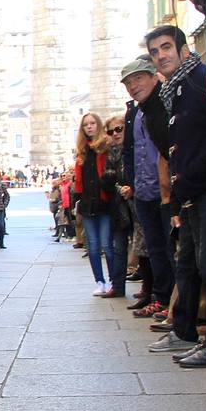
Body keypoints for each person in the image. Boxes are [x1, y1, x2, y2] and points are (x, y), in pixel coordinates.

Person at [146, 25, 206, 369]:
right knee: (203, 266)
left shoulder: (199, 79)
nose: (161, 56)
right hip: (196, 191)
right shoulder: (177, 89)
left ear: (184, 49)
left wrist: (194, 174)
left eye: (166, 47)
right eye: (155, 52)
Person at [117, 56, 173, 320]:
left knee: (168, 249)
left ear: (153, 76)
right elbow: (130, 151)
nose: (133, 85)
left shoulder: (164, 103)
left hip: (165, 192)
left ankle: (169, 301)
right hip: (144, 191)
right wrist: (133, 182)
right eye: (128, 82)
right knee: (154, 248)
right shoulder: (135, 113)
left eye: (137, 78)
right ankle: (160, 297)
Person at [73, 113, 117, 297]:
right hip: (88, 204)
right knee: (92, 245)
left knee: (107, 244)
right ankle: (100, 281)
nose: (89, 127)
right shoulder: (82, 151)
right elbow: (79, 182)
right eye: (85, 125)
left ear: (98, 125)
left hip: (104, 202)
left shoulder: (106, 146)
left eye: (92, 123)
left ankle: (115, 280)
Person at [101, 115, 130, 298]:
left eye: (119, 129)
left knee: (144, 247)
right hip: (119, 206)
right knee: (118, 247)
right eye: (111, 131)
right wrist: (121, 188)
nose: (116, 134)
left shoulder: (133, 148)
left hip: (136, 200)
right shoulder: (110, 153)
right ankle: (118, 286)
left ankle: (151, 291)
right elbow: (106, 181)